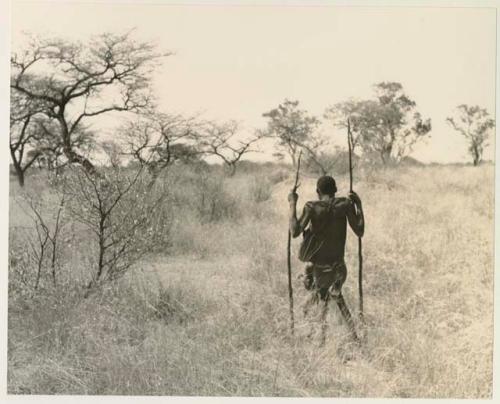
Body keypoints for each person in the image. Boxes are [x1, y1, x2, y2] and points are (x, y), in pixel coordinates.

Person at [288, 175, 364, 342]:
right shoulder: (345, 204)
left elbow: (294, 232)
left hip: (320, 270)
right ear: (335, 191)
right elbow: (360, 231)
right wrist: (359, 205)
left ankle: (321, 339)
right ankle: (354, 337)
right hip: (340, 269)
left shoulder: (312, 207)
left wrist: (292, 202)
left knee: (318, 291)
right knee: (333, 296)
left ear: (317, 192)